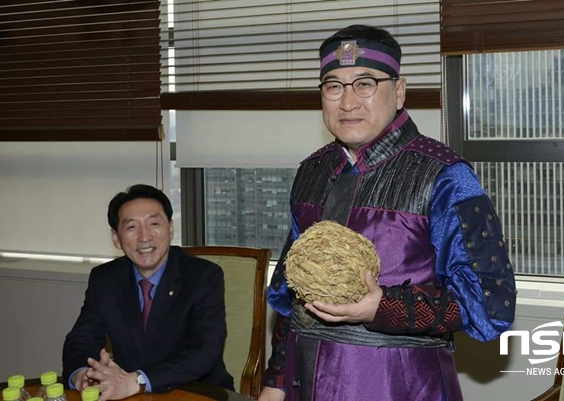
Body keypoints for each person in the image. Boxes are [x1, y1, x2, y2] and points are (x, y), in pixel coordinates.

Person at [258, 25, 516, 401]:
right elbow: (294, 289)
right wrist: (275, 382)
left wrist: (383, 307)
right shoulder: (311, 172)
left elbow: (489, 303)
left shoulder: (445, 175)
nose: (347, 103)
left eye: (365, 83)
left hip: (399, 384)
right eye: (333, 86)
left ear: (398, 91)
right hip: (304, 380)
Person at [62, 184, 234, 400]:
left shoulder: (203, 275)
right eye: (131, 227)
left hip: (197, 392)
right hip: (129, 396)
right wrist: (84, 375)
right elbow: (81, 340)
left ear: (170, 228)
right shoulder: (104, 278)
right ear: (116, 238)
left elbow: (206, 352)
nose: (144, 237)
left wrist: (138, 380)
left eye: (154, 223)